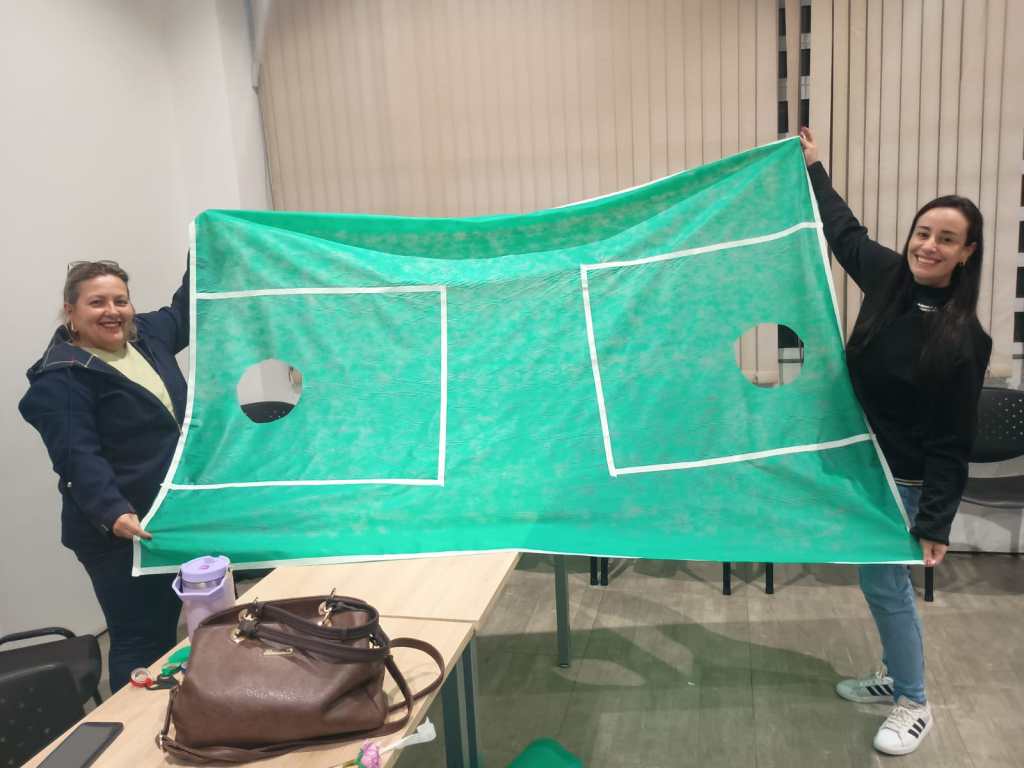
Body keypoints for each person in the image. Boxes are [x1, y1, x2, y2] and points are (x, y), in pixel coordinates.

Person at [798, 127, 991, 755]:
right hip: (863, 466)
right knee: (878, 584)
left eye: (946, 239)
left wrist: (935, 521)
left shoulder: (965, 339)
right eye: (923, 232)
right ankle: (893, 677)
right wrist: (814, 167)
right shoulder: (888, 279)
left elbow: (953, 439)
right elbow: (843, 232)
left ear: (966, 254)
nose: (929, 245)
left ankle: (913, 701)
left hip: (904, 483)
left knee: (885, 587)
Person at [19, 259, 189, 692]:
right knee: (141, 639)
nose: (112, 311)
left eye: (120, 300)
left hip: (164, 516)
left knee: (177, 624)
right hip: (118, 532)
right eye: (97, 302)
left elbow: (188, 309)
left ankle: (179, 710)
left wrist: (204, 244)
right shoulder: (62, 376)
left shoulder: (145, 336)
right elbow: (77, 456)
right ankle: (132, 726)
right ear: (70, 311)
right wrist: (112, 510)